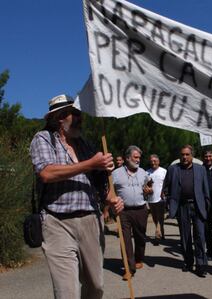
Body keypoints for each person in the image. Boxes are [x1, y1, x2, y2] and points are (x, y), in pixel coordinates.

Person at [30, 94, 124, 299]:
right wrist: (90, 164)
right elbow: (47, 173)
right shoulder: (43, 139)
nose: (80, 118)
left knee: (96, 286)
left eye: (80, 113)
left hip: (91, 220)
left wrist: (112, 200)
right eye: (75, 114)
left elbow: (100, 185)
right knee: (67, 293)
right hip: (57, 223)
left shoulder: (86, 145)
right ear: (59, 118)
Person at [163, 145, 210, 277]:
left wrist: (206, 206)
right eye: (182, 154)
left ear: (192, 156)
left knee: (200, 236)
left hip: (197, 206)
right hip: (182, 206)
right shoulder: (173, 169)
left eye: (187, 154)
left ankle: (201, 265)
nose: (184, 157)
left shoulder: (200, 169)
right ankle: (188, 262)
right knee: (185, 236)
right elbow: (166, 187)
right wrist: (170, 200)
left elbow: (205, 189)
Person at [112, 145, 153, 280]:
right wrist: (112, 202)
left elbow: (149, 188)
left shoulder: (143, 173)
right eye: (135, 157)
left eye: (139, 158)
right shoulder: (116, 174)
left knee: (141, 237)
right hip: (124, 211)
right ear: (127, 158)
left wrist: (149, 191)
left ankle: (139, 258)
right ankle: (129, 268)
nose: (138, 160)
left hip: (141, 210)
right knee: (125, 239)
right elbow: (109, 190)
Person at [146, 154, 167, 245]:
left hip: (161, 198)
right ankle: (161, 230)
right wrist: (147, 189)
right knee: (155, 217)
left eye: (155, 161)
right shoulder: (147, 172)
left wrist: (165, 192)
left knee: (160, 215)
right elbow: (145, 185)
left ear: (158, 161)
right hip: (151, 198)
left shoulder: (164, 171)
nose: (153, 162)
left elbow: (167, 184)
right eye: (151, 161)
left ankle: (157, 231)